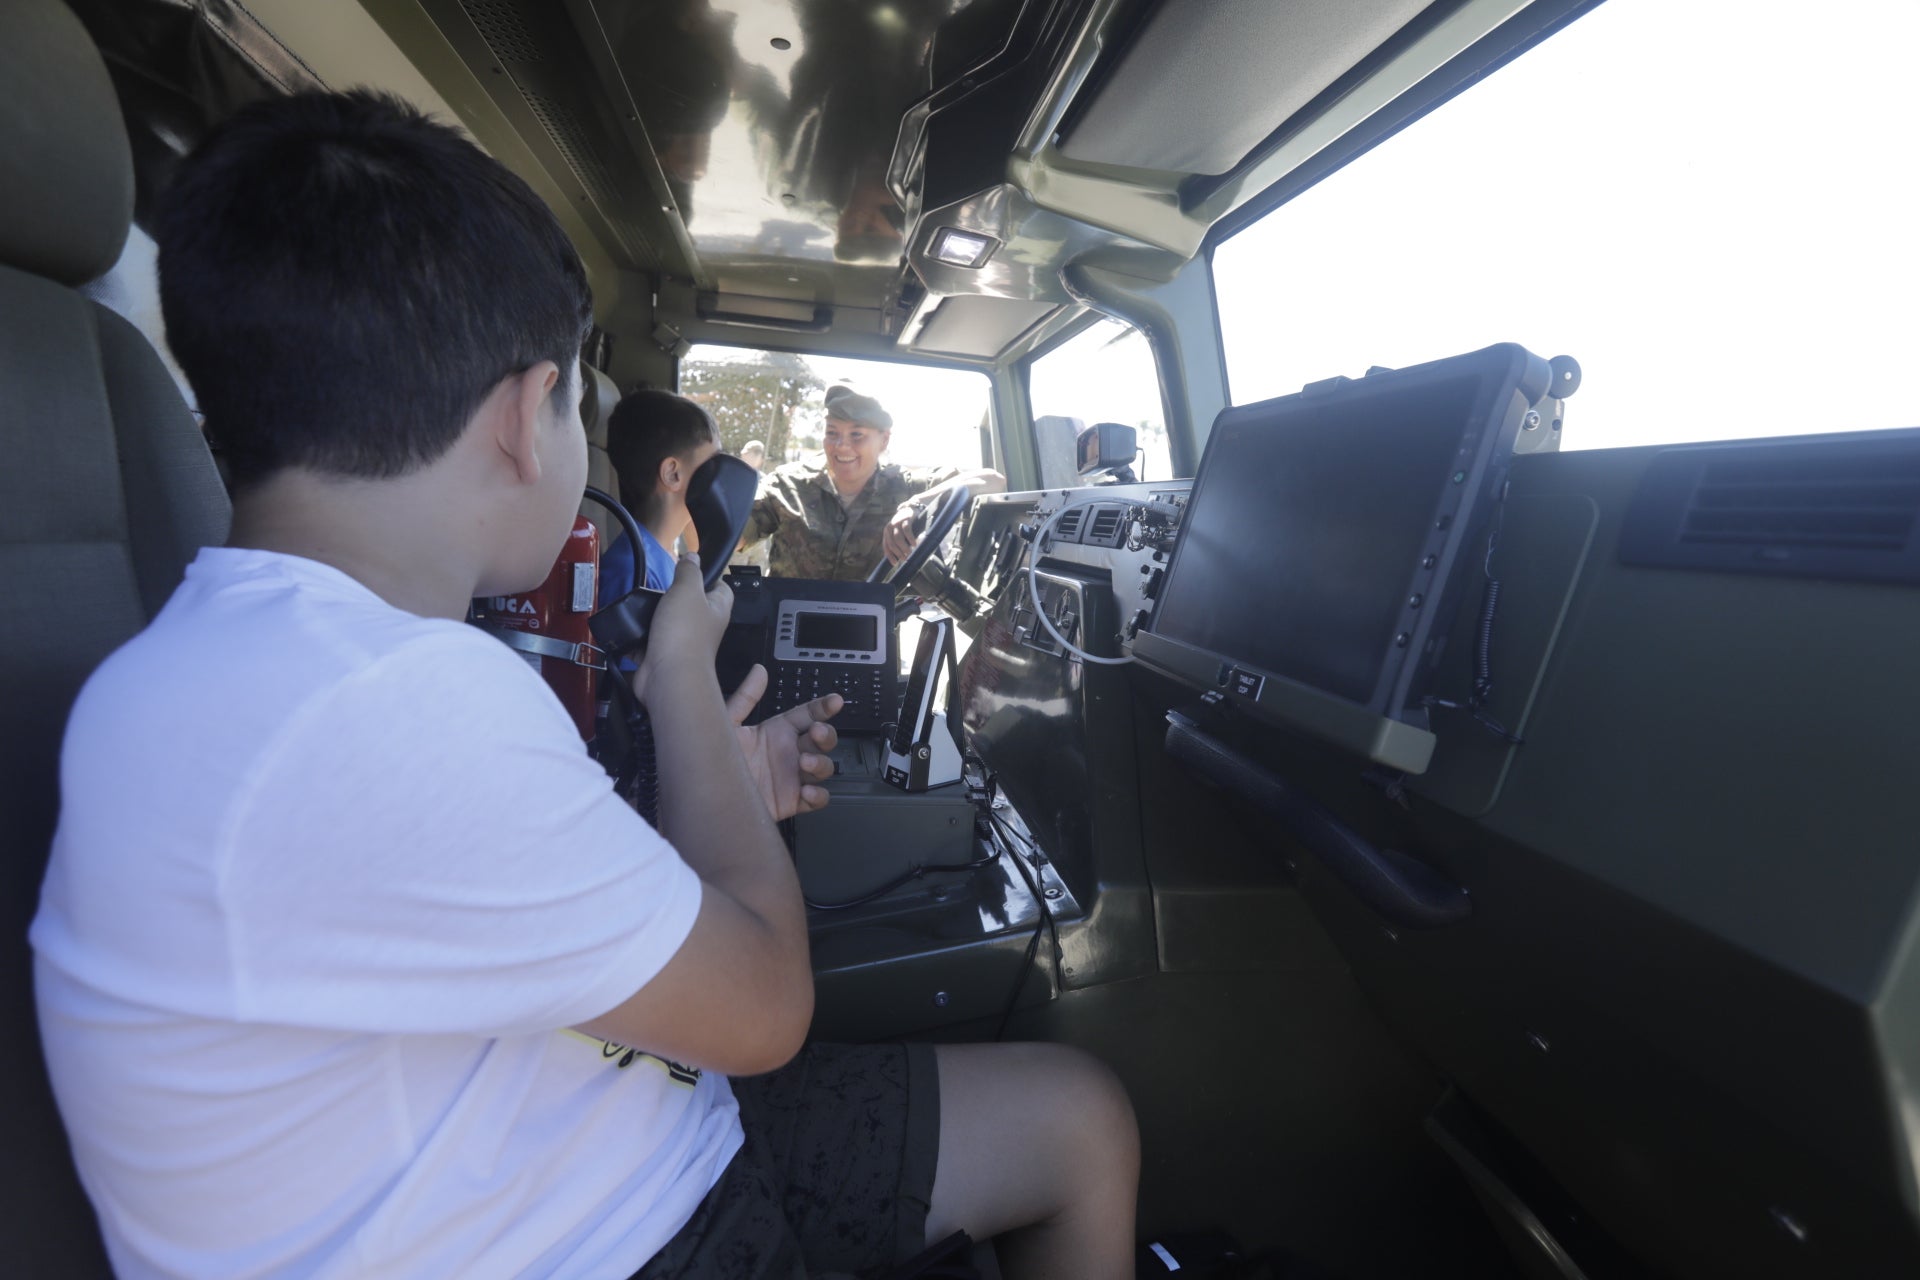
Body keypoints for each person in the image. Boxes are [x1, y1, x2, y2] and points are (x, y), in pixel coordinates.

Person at [30, 90, 1138, 1279]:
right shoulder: (388, 702)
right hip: (613, 1232)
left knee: (1074, 1116)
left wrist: (719, 783)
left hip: (585, 1151)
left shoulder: (266, 670)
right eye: (576, 402)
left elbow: (480, 899)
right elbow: (766, 1006)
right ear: (522, 415)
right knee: (1082, 1117)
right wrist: (677, 680)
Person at [738, 384, 1006, 580]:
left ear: (884, 440)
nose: (842, 446)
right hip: (784, 632)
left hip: (870, 638)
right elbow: (734, 534)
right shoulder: (787, 485)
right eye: (832, 433)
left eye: (857, 435)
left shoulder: (905, 485)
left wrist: (915, 505)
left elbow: (992, 481)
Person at [600, 389, 721, 604]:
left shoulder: (663, 557)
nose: (719, 475)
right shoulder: (633, 572)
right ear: (672, 474)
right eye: (712, 464)